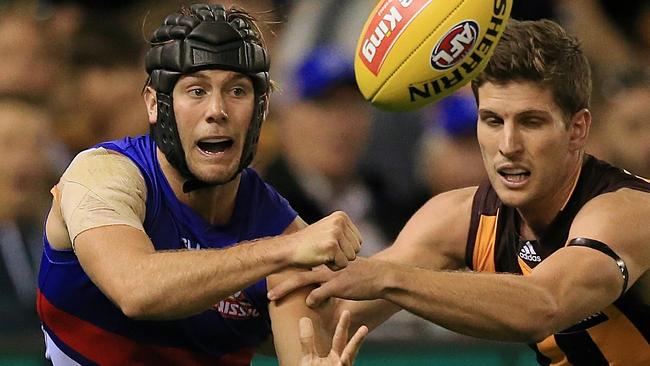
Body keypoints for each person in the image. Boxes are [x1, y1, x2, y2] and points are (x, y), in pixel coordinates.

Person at [269, 19, 650, 365]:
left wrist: (389, 277)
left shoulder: (629, 210)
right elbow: (334, 313)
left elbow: (543, 307)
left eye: (531, 122)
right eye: (492, 121)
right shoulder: (458, 217)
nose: (508, 144)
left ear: (578, 129)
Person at [37, 4, 367, 365]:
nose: (217, 110)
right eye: (196, 91)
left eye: (237, 91)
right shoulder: (102, 175)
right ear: (155, 104)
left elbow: (303, 355)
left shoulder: (281, 229)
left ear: (262, 108)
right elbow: (135, 289)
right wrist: (281, 250)